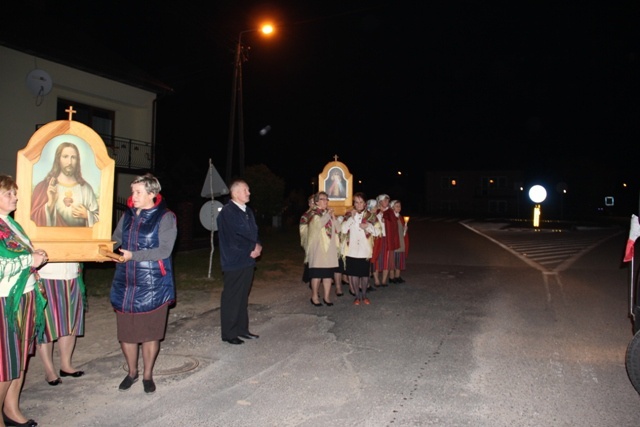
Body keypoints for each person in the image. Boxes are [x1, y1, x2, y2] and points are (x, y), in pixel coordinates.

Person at [110, 173, 177, 394]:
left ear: (152, 194)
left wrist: (133, 256)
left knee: (150, 334)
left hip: (153, 285)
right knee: (126, 334)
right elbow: (115, 238)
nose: (133, 196)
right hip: (126, 283)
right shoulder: (128, 216)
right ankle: (132, 372)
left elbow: (164, 251)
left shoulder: (165, 217)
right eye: (133, 191)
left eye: (138, 192)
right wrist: (102, 249)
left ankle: (147, 375)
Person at [0, 174, 48, 427]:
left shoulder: (11, 223)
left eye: (14, 193)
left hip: (24, 295)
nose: (15, 197)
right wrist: (30, 261)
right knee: (4, 362)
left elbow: (22, 254)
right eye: (8, 193)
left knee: (19, 357)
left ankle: (12, 409)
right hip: (5, 300)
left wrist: (35, 254)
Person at [217, 180, 262, 345]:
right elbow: (233, 238)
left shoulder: (248, 211)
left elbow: (254, 231)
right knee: (232, 298)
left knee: (243, 297)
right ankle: (229, 333)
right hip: (234, 261)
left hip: (248, 261)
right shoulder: (228, 212)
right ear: (235, 193)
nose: (249, 193)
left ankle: (242, 329)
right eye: (246, 190)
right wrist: (251, 247)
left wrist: (258, 245)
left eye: (248, 190)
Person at [36, 262, 85, 386]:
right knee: (46, 324)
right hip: (46, 276)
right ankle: (49, 371)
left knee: (70, 321)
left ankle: (66, 365)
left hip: (72, 275)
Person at [31, 142, 99, 227]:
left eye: (73, 157)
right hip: (53, 239)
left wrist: (87, 215)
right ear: (58, 159)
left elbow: (100, 219)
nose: (69, 162)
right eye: (65, 157)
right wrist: (50, 204)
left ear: (77, 161)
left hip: (80, 238)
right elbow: (33, 219)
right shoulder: (44, 187)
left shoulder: (86, 188)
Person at [300, 191, 339, 306]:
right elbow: (317, 225)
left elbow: (339, 229)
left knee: (327, 275)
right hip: (318, 249)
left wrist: (333, 217)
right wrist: (327, 215)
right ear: (317, 201)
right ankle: (314, 296)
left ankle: (327, 297)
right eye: (323, 199)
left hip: (329, 249)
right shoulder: (312, 213)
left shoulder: (328, 213)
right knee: (316, 275)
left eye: (327, 199)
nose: (326, 201)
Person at [340, 193, 380, 305]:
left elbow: (378, 232)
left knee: (364, 274)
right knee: (353, 274)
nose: (358, 205)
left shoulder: (371, 216)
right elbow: (343, 230)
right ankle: (357, 297)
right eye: (356, 202)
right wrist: (351, 219)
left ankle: (364, 295)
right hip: (351, 250)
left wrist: (368, 226)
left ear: (365, 203)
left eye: (361, 202)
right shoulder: (348, 214)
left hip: (364, 250)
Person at [372, 194, 400, 287]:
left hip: (387, 238)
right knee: (375, 258)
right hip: (377, 238)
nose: (386, 202)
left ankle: (384, 280)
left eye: (387, 200)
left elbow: (394, 222)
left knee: (386, 259)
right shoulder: (375, 211)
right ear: (380, 202)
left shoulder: (390, 212)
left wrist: (388, 220)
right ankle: (376, 279)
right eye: (384, 200)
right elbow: (370, 220)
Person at [389, 200, 409, 284]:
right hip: (394, 242)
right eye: (396, 206)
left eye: (399, 206)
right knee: (393, 260)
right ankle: (391, 277)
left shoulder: (400, 217)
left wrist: (405, 229)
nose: (398, 208)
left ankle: (398, 276)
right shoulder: (391, 217)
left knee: (400, 260)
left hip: (401, 241)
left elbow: (402, 231)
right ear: (392, 207)